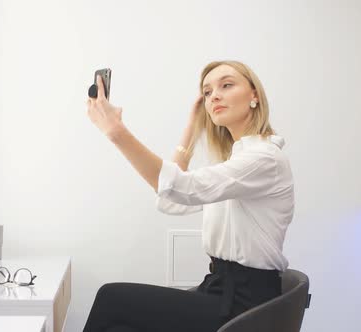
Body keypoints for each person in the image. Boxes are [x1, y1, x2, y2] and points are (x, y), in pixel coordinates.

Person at [83, 60, 295, 332]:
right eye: (207, 92)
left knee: (111, 298)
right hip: (218, 291)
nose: (214, 95)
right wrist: (193, 127)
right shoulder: (236, 161)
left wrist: (116, 132)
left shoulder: (264, 158)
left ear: (255, 95)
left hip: (245, 305)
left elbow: (180, 187)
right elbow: (169, 201)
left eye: (226, 85)